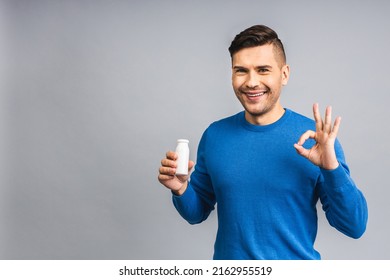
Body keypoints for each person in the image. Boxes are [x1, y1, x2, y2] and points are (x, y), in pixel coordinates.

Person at [158, 25, 368, 260]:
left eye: (263, 70)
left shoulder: (317, 140)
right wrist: (181, 189)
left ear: (284, 74)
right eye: (241, 71)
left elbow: (354, 226)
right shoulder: (215, 135)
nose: (251, 82)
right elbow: (196, 213)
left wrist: (332, 169)